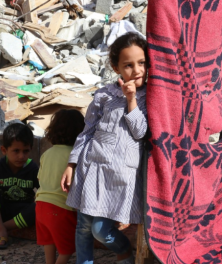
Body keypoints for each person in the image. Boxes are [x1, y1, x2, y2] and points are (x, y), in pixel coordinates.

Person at [61, 32, 149, 264]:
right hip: (92, 168)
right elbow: (88, 131)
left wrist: (131, 100)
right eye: (128, 65)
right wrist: (71, 164)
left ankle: (123, 249)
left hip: (122, 174)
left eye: (142, 63)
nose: (137, 70)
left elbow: (140, 132)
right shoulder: (104, 95)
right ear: (115, 66)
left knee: (100, 229)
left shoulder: (149, 97)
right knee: (83, 227)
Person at [35, 109, 86, 264]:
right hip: (61, 210)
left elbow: (40, 178)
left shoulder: (47, 153)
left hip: (40, 207)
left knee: (49, 242)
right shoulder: (75, 155)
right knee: (67, 250)